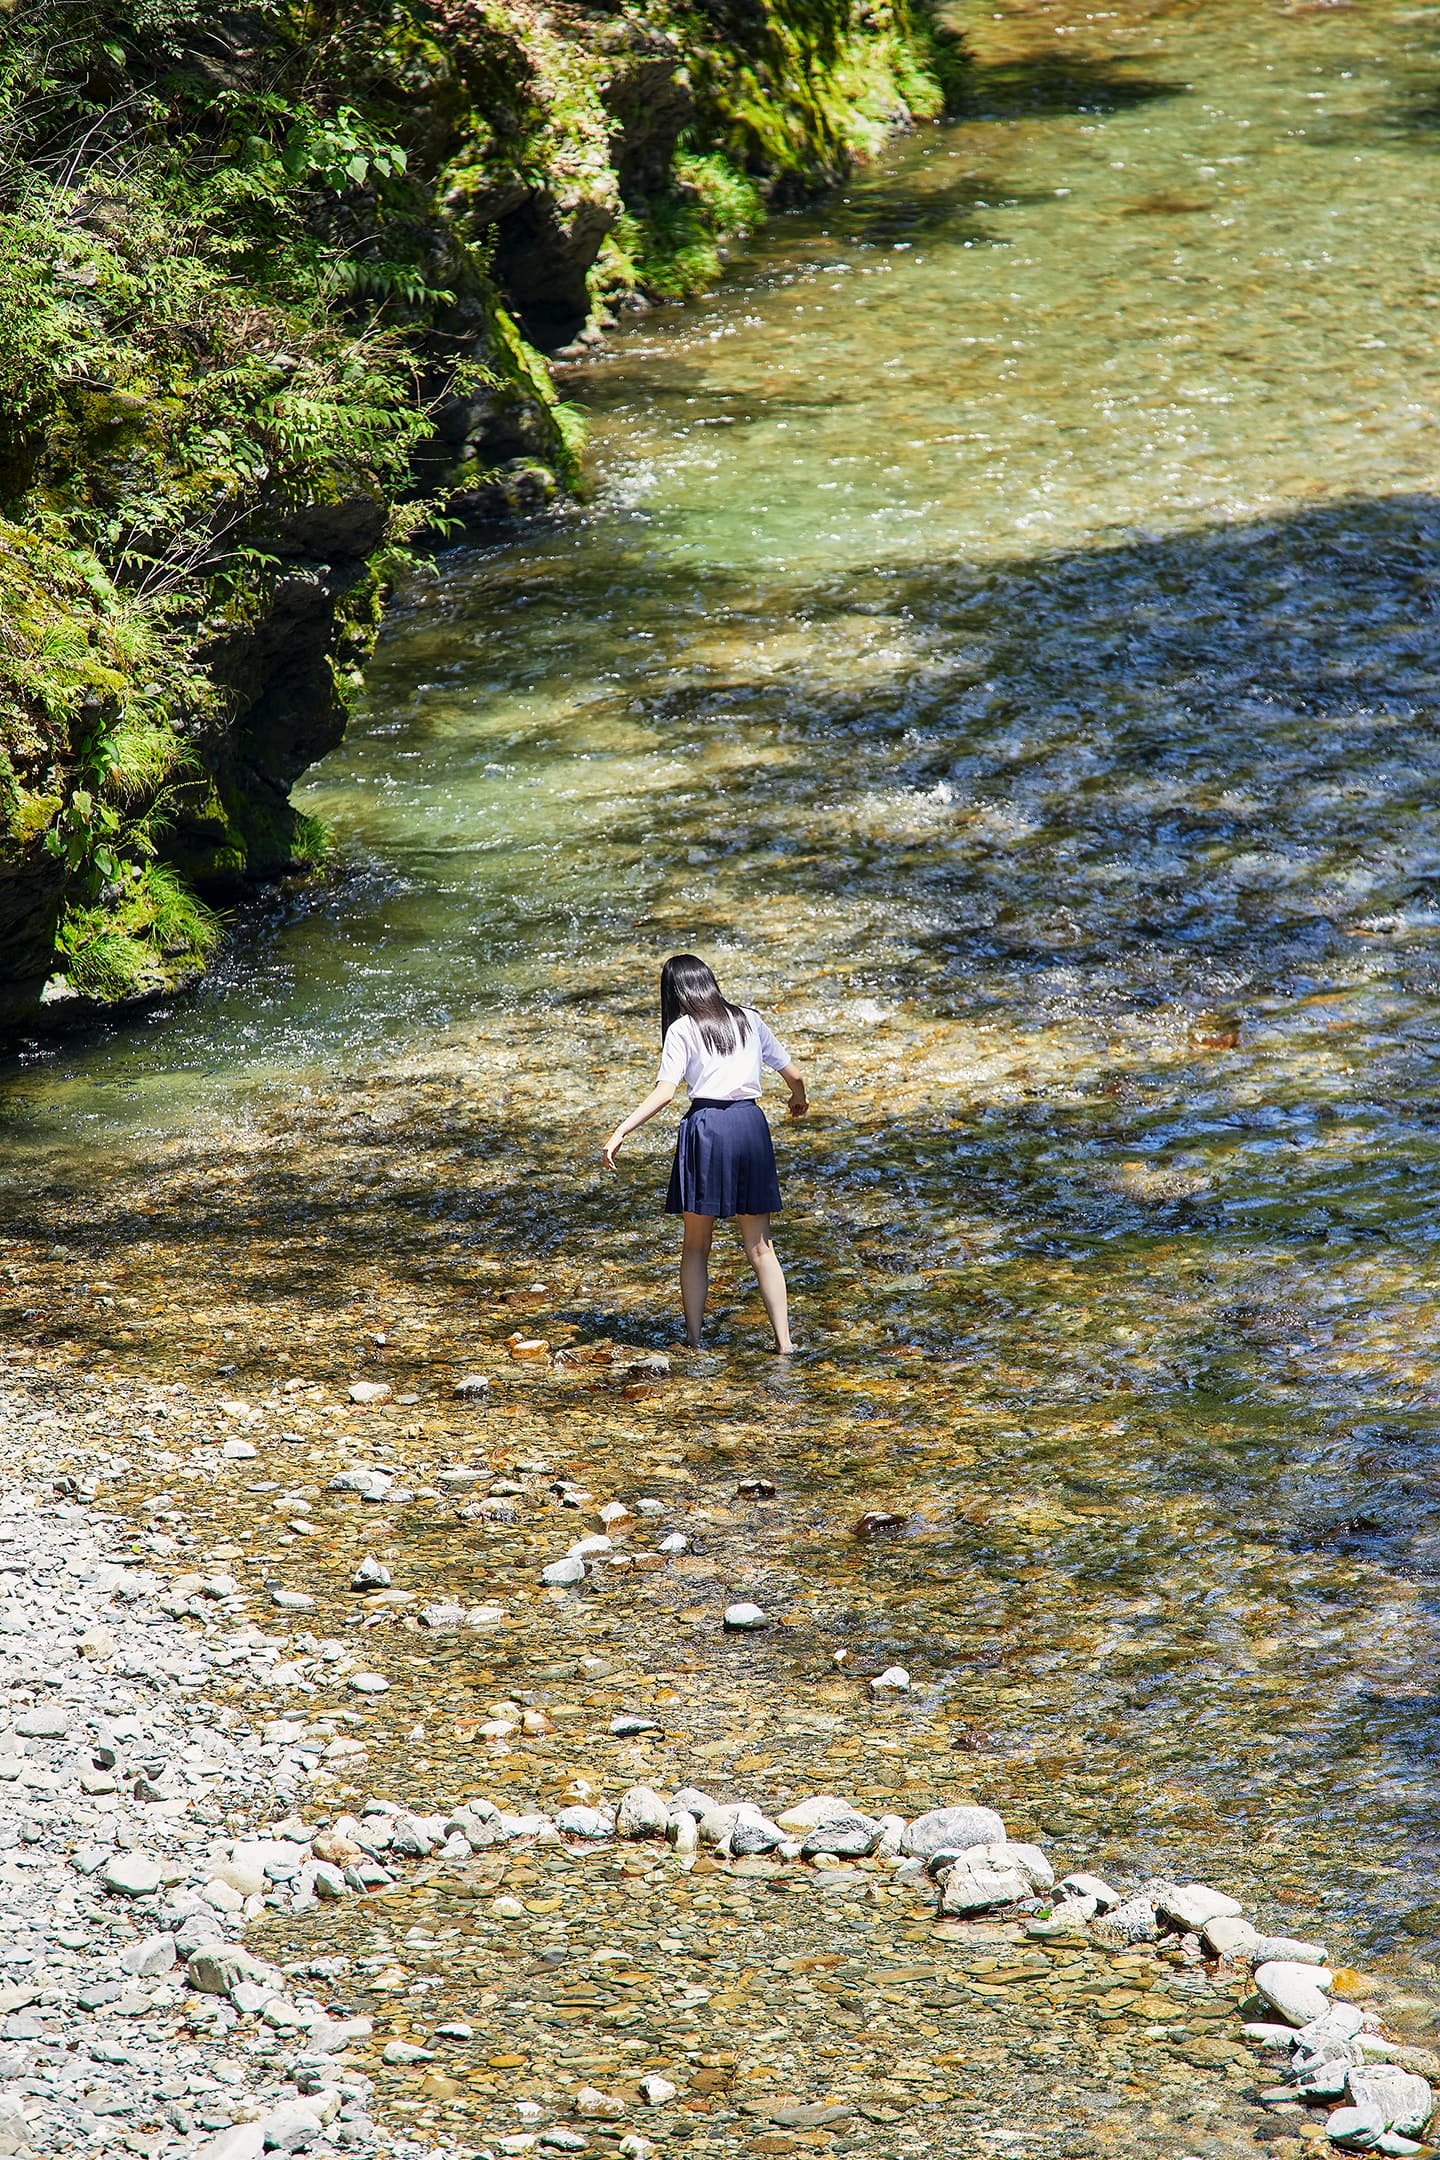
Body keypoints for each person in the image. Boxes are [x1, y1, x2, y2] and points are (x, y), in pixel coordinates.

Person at [602, 954, 808, 1353]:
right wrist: (798, 1101)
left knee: (696, 1245)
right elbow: (795, 1076)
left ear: (674, 992)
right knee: (761, 1247)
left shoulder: (681, 1029)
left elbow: (665, 1093)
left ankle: (694, 1341)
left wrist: (621, 1130)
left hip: (707, 1130)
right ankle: (785, 1343)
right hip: (751, 1127)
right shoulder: (750, 1018)